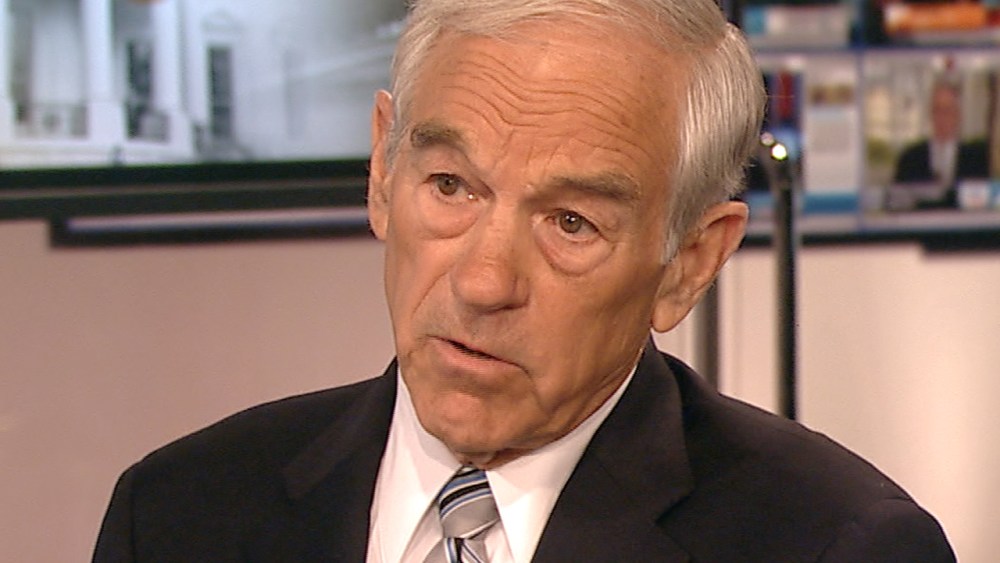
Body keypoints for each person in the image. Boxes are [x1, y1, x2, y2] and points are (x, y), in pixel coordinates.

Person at [93, 0, 955, 561]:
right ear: (381, 170)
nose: (483, 281)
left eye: (570, 222)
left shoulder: (836, 545)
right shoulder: (176, 515)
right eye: (450, 186)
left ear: (690, 262)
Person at [893, 78, 990, 209]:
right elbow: (897, 204)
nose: (942, 117)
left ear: (958, 115)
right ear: (930, 114)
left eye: (948, 110)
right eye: (937, 110)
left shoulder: (976, 159)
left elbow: (983, 205)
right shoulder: (910, 158)